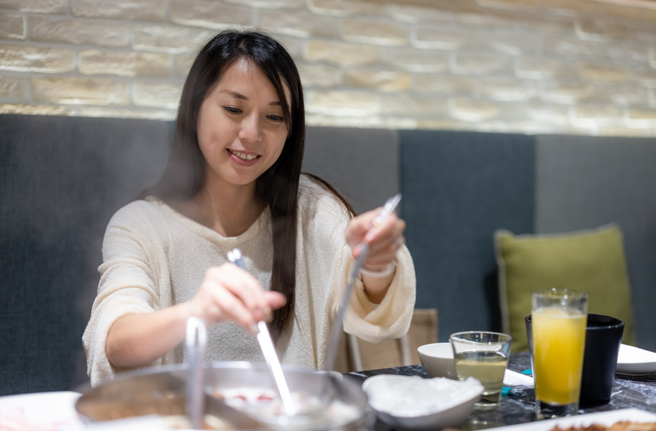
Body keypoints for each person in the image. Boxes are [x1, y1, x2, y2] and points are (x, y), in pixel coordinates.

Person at [82, 30, 416, 386]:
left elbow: (376, 311)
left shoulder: (311, 208)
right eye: (233, 109)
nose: (252, 133)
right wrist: (197, 312)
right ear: (195, 108)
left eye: (274, 117)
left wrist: (377, 263)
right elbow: (114, 340)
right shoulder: (141, 225)